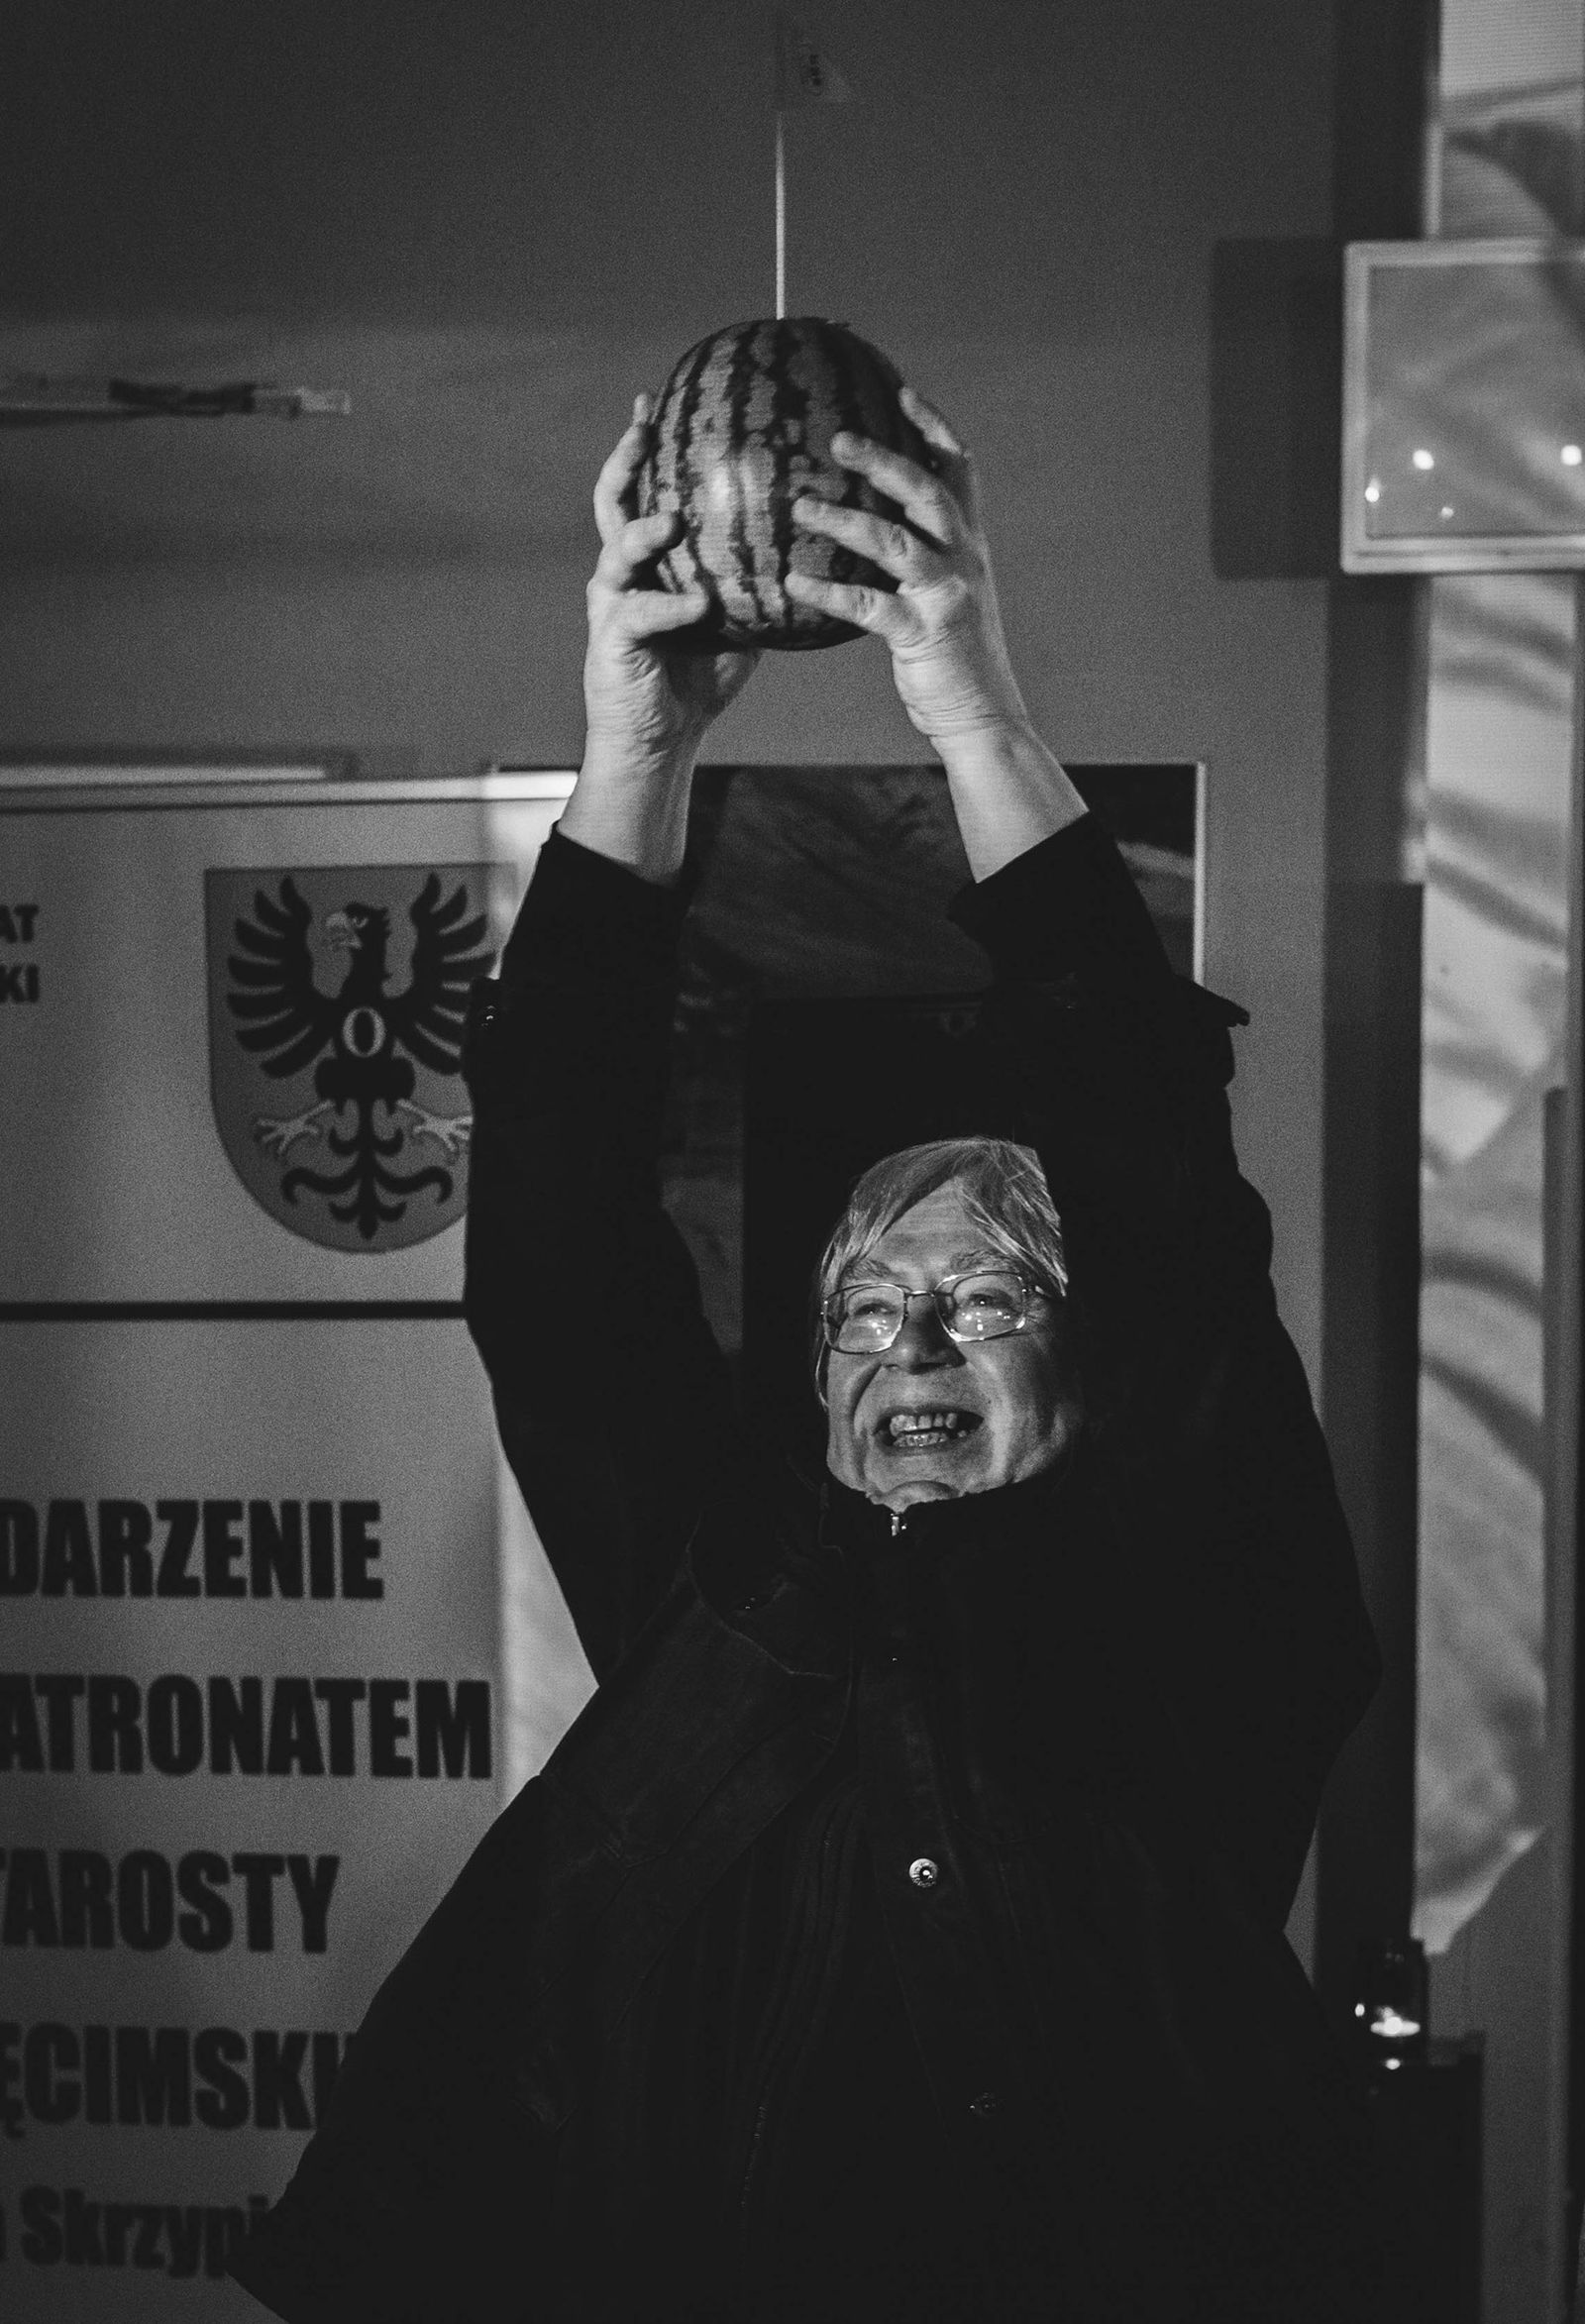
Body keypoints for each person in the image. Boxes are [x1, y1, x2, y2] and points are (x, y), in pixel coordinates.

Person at [231, 385, 1384, 2322]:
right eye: (862, 1307)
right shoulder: (723, 1581)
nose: (908, 1336)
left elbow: (1165, 1202)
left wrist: (968, 704)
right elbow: (558, 1272)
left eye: (985, 1300)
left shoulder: (1204, 1621)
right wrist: (634, 750)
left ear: (1095, 1366)